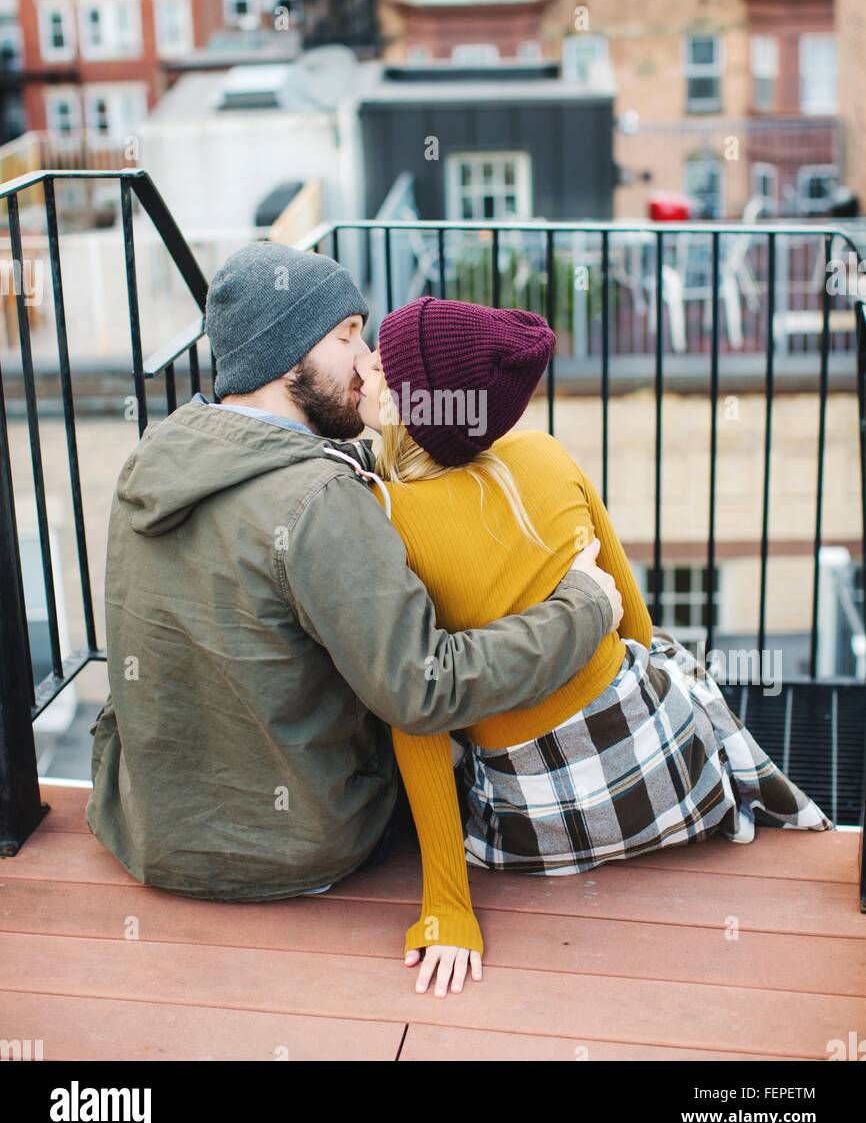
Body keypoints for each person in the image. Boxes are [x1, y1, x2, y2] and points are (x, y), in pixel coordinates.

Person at [86, 243, 622, 929]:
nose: (370, 359)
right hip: (297, 850)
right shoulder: (319, 502)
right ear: (288, 360)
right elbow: (425, 688)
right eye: (347, 337)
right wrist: (583, 607)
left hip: (148, 828)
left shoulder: (159, 458)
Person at [354, 295, 835, 999]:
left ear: (418, 410)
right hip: (672, 767)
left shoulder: (383, 516)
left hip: (540, 819)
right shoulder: (544, 452)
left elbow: (417, 712)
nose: (365, 365)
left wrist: (448, 910)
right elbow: (633, 623)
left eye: (383, 365)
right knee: (673, 660)